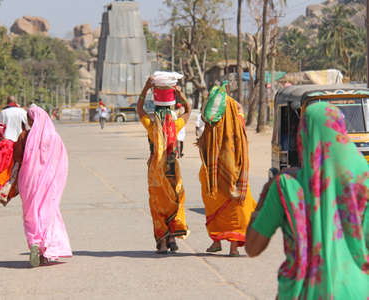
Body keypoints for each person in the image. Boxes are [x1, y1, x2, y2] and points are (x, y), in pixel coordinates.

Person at [246, 102, 368, 299]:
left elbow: (252, 247)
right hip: (357, 291)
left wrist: (264, 195)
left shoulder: (286, 186)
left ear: (303, 137)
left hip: (301, 293)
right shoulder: (365, 182)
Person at [197, 82, 256, 256]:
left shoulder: (211, 124)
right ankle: (233, 248)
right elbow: (240, 109)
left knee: (214, 203)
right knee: (237, 207)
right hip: (236, 170)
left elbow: (202, 140)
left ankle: (216, 241)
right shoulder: (237, 120)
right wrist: (231, 101)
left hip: (213, 172)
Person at [137, 76, 192, 254]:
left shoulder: (152, 127)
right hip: (171, 169)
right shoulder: (175, 126)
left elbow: (140, 109)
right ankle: (173, 237)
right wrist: (180, 95)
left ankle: (162, 243)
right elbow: (188, 110)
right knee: (174, 201)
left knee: (157, 205)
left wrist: (146, 88)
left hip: (155, 171)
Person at [15, 105, 72, 267]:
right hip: (49, 183)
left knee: (30, 213)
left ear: (30, 120)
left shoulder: (25, 136)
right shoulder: (54, 137)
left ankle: (34, 242)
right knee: (48, 213)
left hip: (28, 182)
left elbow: (18, 157)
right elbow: (61, 162)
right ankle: (45, 251)